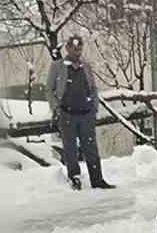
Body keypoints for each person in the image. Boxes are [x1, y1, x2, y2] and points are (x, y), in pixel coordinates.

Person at [45, 35, 113, 190]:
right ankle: (75, 179)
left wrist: (94, 107)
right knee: (70, 148)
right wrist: (56, 108)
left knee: (91, 147)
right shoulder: (58, 66)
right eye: (74, 48)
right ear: (68, 48)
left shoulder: (86, 66)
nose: (77, 52)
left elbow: (93, 88)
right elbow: (49, 89)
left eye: (79, 48)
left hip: (86, 114)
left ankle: (97, 180)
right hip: (67, 114)